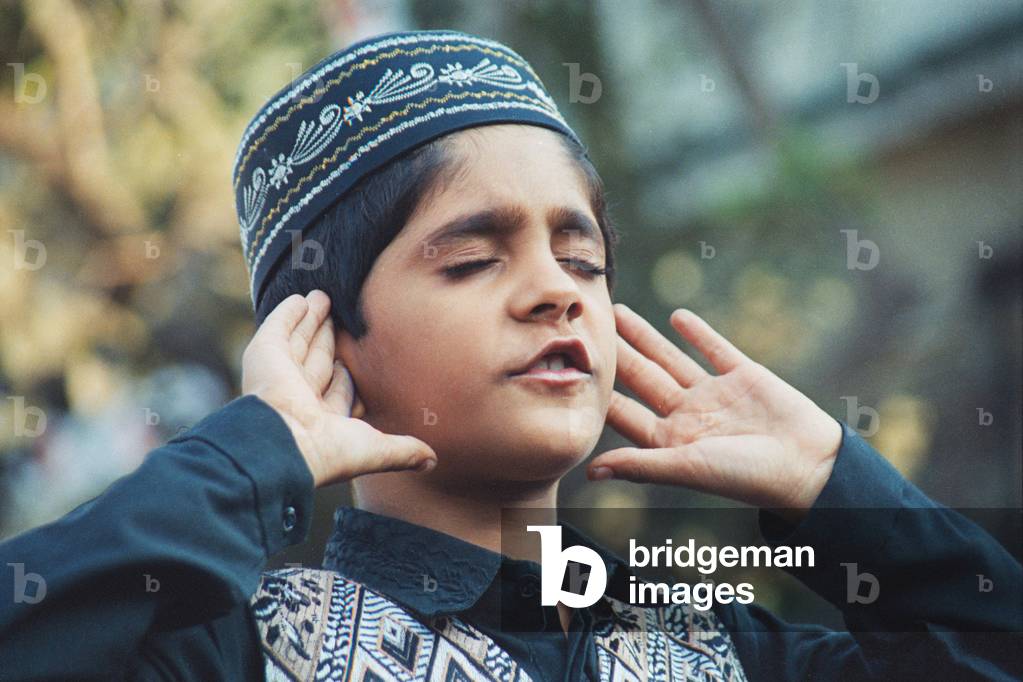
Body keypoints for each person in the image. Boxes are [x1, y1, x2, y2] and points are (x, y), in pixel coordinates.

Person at [0, 29, 1019, 682]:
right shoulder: (237, 655)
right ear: (323, 335)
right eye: (477, 259)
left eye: (584, 257)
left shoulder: (731, 652)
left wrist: (840, 489)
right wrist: (247, 455)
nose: (556, 289)